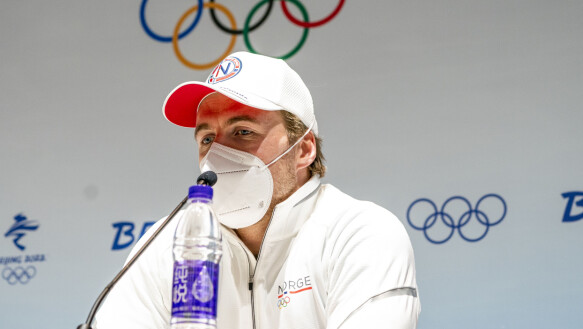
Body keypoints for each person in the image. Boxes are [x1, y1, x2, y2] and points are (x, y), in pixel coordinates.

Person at [95, 51, 420, 329]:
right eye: (207, 138)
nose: (217, 154)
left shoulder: (359, 235)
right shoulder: (165, 247)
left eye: (243, 131)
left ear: (303, 149)